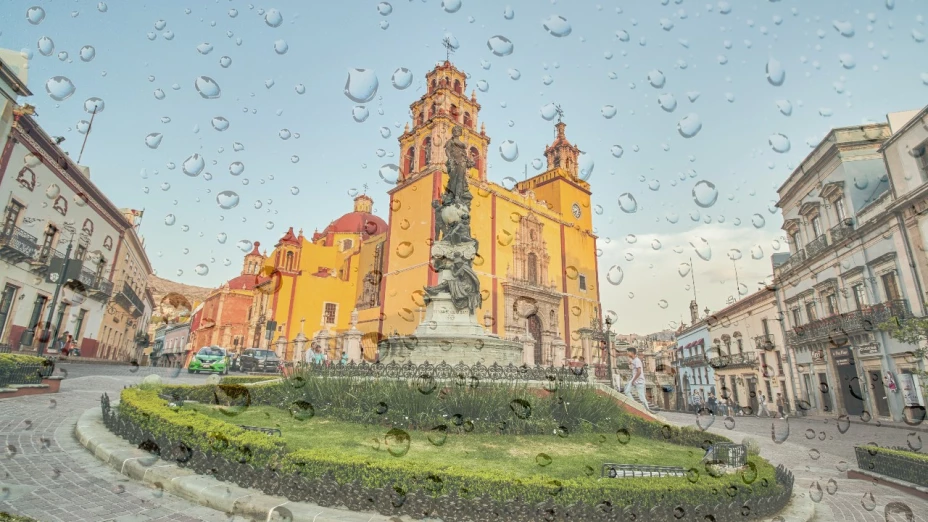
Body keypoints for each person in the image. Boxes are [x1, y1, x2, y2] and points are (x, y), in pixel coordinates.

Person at [622, 348, 652, 412]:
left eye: (628, 352)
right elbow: (633, 369)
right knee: (626, 391)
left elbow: (639, 372)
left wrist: (633, 380)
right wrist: (630, 363)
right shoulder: (634, 360)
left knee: (641, 397)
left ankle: (647, 410)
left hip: (639, 381)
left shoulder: (637, 360)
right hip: (634, 380)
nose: (627, 353)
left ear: (632, 353)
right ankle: (634, 405)